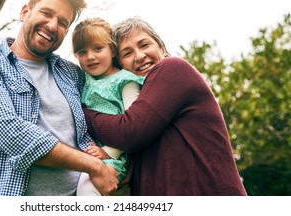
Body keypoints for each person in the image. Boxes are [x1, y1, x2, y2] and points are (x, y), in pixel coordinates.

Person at [0, 0, 119, 196]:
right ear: (25, 12)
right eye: (46, 13)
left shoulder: (73, 74)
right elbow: (12, 134)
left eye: (62, 22)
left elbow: (111, 108)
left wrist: (120, 162)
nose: (51, 25)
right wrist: (95, 166)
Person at [83, 16, 248, 196]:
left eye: (144, 45)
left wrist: (80, 111)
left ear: (161, 46)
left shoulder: (172, 69)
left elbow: (129, 132)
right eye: (127, 53)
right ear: (119, 64)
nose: (139, 56)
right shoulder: (135, 101)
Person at [71, 17, 144, 195]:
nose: (90, 57)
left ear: (112, 50)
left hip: (114, 156)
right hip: (87, 152)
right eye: (82, 51)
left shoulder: (125, 81)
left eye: (97, 48)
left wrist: (109, 152)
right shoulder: (83, 79)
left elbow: (134, 124)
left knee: (86, 189)